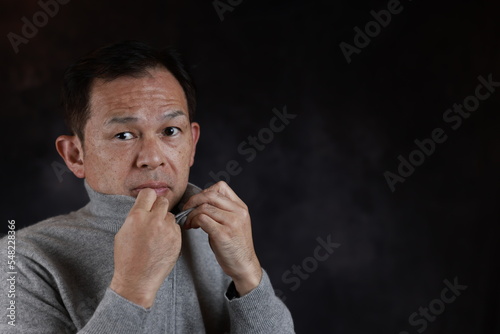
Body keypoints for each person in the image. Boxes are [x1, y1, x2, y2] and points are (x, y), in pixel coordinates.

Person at [0, 41, 294, 333]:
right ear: (75, 155)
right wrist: (131, 290)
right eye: (124, 134)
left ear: (191, 143)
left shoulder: (219, 237)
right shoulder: (19, 261)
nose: (152, 158)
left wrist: (249, 276)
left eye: (170, 131)